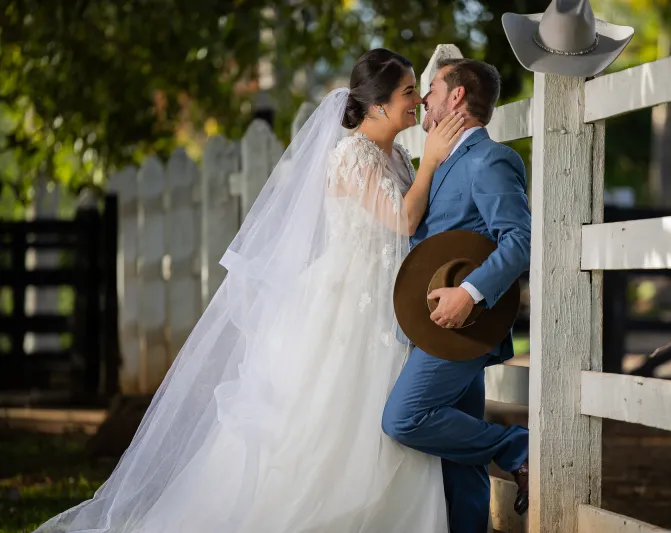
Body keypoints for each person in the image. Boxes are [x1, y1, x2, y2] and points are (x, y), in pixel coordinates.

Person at [33, 48, 464, 533]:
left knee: (387, 418)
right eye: (409, 92)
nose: (418, 102)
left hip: (392, 301)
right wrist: (431, 163)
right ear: (378, 104)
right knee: (334, 423)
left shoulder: (399, 154)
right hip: (349, 305)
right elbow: (403, 218)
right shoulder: (352, 155)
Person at [382, 58, 532, 533]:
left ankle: (520, 450)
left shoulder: (490, 159)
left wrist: (469, 293)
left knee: (404, 418)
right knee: (459, 461)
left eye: (431, 90)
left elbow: (520, 238)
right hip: (438, 326)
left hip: (466, 323)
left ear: (457, 98)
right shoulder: (445, 159)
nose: (424, 99)